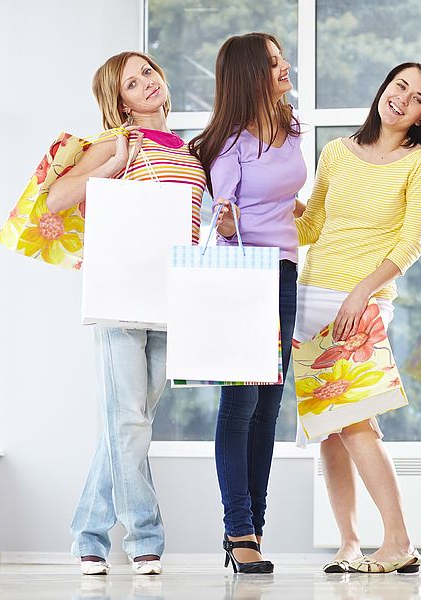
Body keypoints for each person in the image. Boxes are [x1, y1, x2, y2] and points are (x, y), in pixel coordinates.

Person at [46, 52, 206, 575]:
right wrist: (112, 168)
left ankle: (87, 534)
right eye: (132, 83)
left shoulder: (189, 150)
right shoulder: (118, 144)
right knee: (129, 420)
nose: (147, 84)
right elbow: (56, 199)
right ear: (121, 102)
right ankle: (145, 538)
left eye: (149, 73)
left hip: (174, 293)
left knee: (130, 422)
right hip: (121, 292)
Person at [293, 62, 421, 574]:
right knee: (330, 427)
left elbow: (411, 244)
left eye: (418, 97)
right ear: (383, 87)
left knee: (358, 422)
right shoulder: (336, 152)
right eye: (399, 85)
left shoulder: (419, 164)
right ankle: (348, 542)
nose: (403, 98)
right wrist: (269, 208)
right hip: (311, 295)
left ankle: (400, 540)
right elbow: (313, 224)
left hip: (362, 303)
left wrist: (361, 293)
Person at [188, 33, 305, 574]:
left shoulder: (292, 125)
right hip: (242, 277)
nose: (285, 67)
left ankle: (252, 527)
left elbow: (287, 195)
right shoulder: (225, 142)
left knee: (269, 406)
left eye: (283, 59)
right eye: (275, 62)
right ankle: (239, 530)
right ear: (250, 75)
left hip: (284, 273)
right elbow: (225, 214)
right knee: (240, 406)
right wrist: (229, 221)